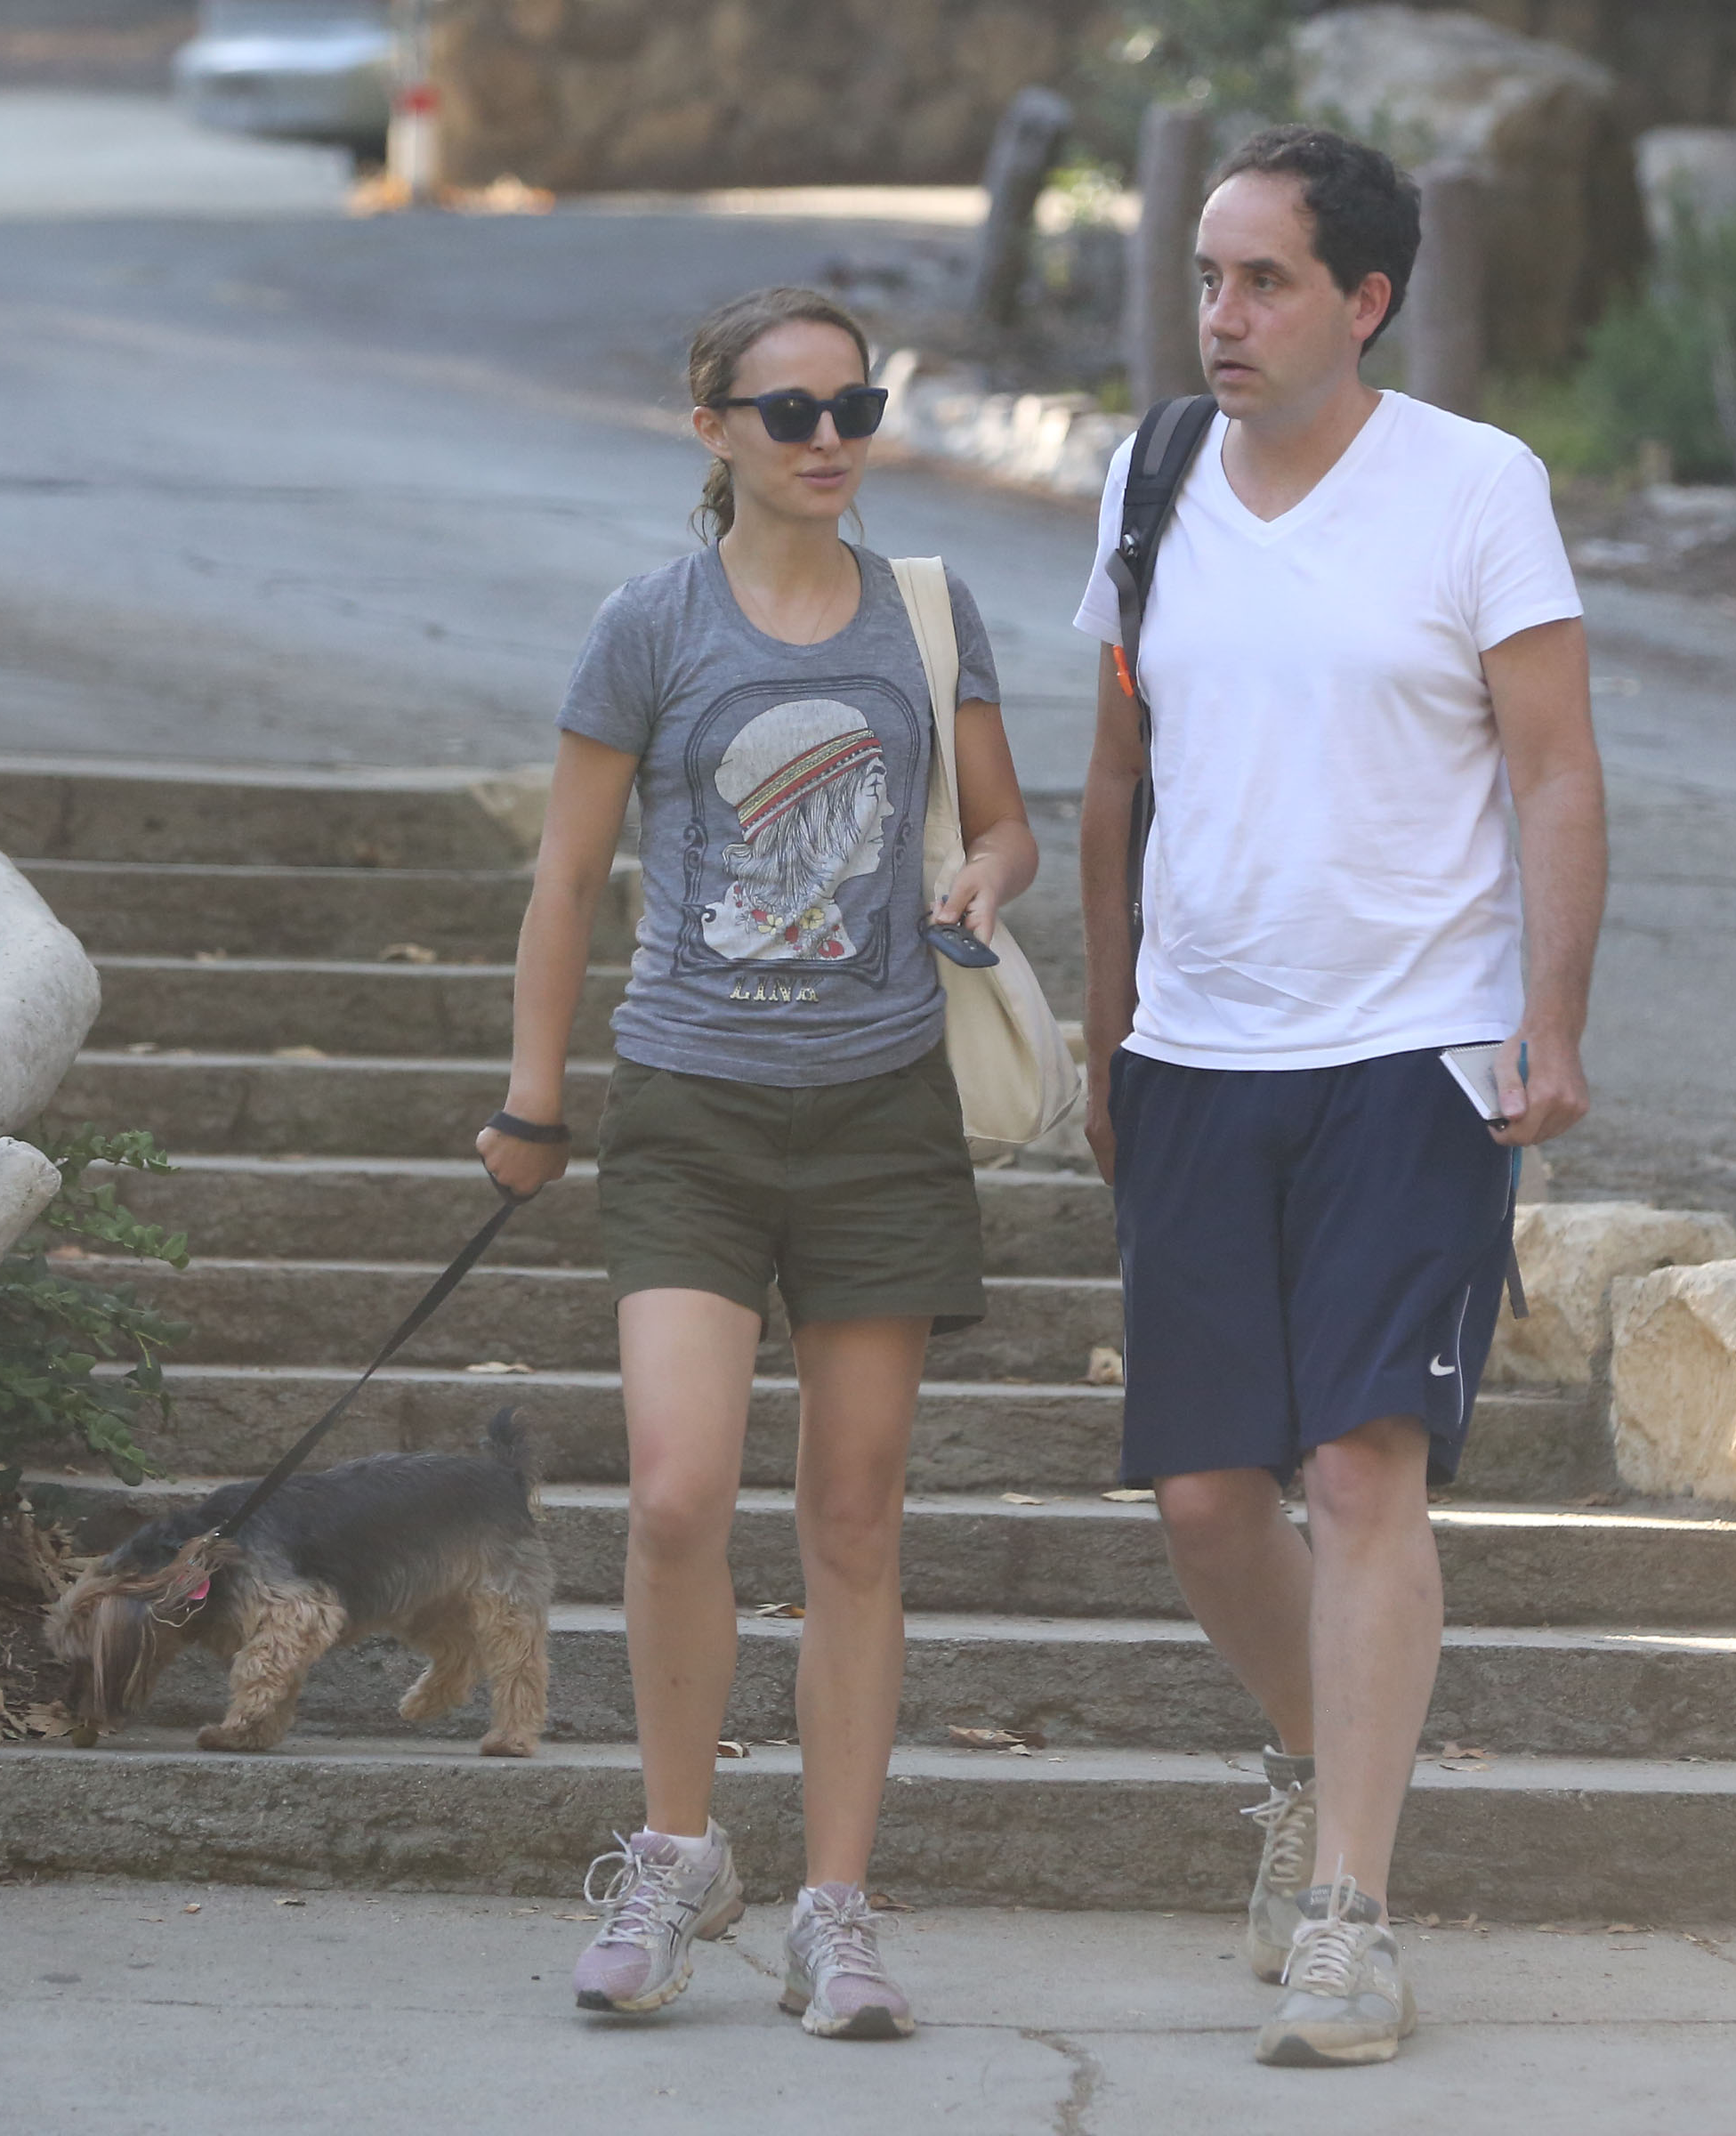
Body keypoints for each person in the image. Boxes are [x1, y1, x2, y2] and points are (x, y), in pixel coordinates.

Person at [1070, 126, 1606, 2069]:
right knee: (1211, 1498)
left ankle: (1351, 1914)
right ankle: (1308, 1757)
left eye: (1265, 281)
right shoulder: (1154, 475)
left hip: (1415, 1052)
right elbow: (1115, 778)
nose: (1220, 314)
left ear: (1364, 302)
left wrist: (1552, 1016)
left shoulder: (1476, 489)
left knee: (1363, 1470)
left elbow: (1553, 769)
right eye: (1208, 276)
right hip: (1201, 1049)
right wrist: (1107, 1025)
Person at [477, 285, 1038, 2042]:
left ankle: (837, 1910)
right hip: (694, 1112)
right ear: (709, 429)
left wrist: (990, 880)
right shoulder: (650, 626)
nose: (826, 442)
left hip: (879, 1117)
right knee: (673, 1491)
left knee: (857, 1517)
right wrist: (531, 1098)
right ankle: (672, 1847)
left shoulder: (928, 619)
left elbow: (1014, 819)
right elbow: (566, 878)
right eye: (786, 412)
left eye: (852, 408)